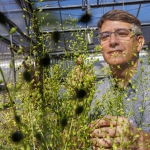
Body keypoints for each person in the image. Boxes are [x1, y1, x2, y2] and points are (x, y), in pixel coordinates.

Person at [89, 10, 150, 149]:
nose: (112, 42)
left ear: (139, 43)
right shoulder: (98, 92)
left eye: (122, 34)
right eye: (105, 37)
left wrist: (139, 140)